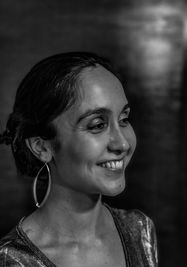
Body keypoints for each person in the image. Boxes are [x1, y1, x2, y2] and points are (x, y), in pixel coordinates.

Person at [0, 52, 158, 267]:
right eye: (97, 125)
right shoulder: (13, 260)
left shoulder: (139, 229)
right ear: (41, 147)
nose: (122, 144)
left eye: (124, 119)